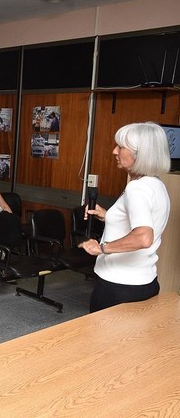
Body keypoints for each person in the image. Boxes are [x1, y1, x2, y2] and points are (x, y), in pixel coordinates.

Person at [80, 122, 170, 313]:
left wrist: (101, 248)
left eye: (121, 147)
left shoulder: (137, 188)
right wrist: (108, 216)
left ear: (140, 154)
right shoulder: (156, 184)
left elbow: (143, 237)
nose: (115, 151)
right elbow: (144, 221)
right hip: (145, 282)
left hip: (119, 286)